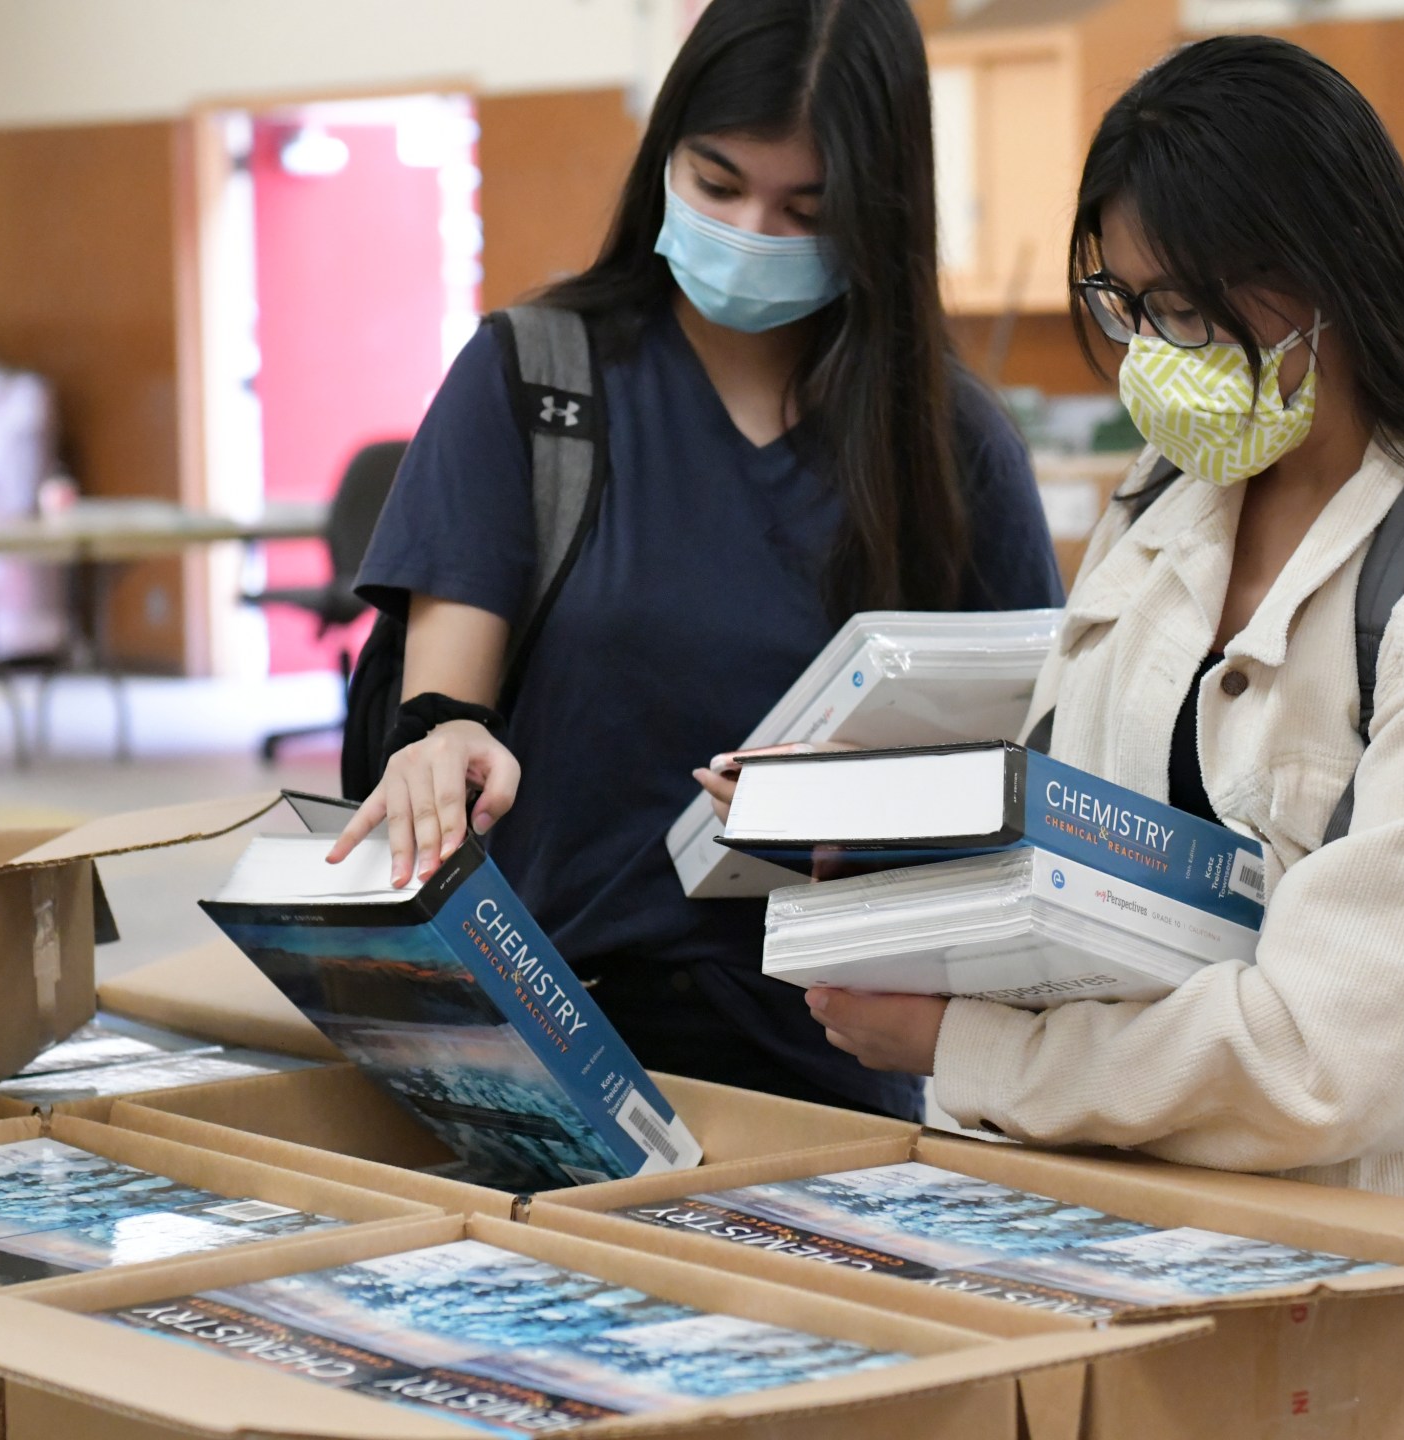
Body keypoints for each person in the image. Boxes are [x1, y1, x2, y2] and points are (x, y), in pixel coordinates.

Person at [807, 34, 1404, 1339]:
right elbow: (1087, 833)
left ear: (1336, 274)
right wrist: (884, 830)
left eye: (1194, 309)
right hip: (1084, 1224)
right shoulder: (1169, 502)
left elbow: (1332, 1056)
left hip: (1345, 1273)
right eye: (1131, 308)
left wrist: (962, 1046)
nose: (1159, 352)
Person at [332, 0, 1062, 1120]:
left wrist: (867, 815)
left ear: (878, 215)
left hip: (827, 1069)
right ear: (663, 154)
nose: (753, 234)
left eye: (805, 210)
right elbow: (442, 703)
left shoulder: (946, 444)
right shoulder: (534, 381)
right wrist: (442, 745)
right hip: (549, 1048)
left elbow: (1027, 781)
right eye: (717, 186)